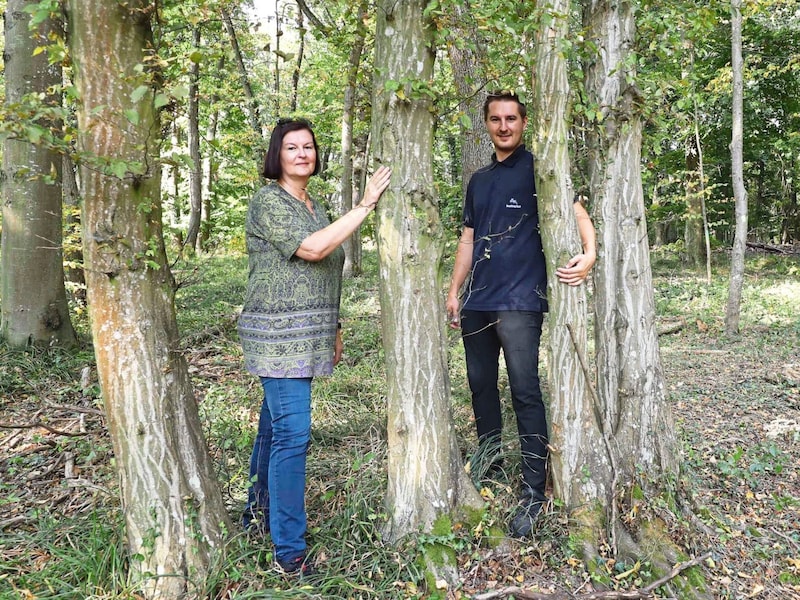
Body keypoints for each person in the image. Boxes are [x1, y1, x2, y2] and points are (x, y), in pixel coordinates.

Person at [238, 118, 391, 575]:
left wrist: (336, 327)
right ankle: (289, 553)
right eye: (292, 148)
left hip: (309, 336)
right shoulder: (269, 202)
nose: (302, 154)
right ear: (277, 156)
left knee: (274, 428)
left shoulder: (313, 204)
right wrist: (366, 204)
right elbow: (313, 251)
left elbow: (326, 272)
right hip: (277, 339)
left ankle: (256, 514)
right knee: (293, 435)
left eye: (308, 146)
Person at [445, 91, 596, 539]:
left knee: (526, 391)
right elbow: (469, 238)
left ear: (524, 122)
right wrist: (454, 290)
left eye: (512, 118)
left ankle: (534, 489)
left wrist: (590, 254)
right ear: (487, 125)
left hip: (521, 302)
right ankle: (489, 467)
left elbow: (577, 212)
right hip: (478, 302)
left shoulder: (539, 170)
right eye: (496, 119)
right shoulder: (480, 179)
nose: (504, 126)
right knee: (480, 387)